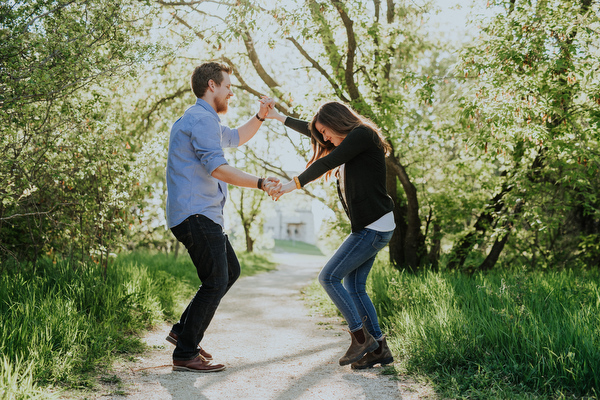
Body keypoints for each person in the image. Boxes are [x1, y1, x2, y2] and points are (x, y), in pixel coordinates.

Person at [165, 62, 280, 373]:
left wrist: (260, 117)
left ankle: (182, 331)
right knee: (216, 279)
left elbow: (235, 137)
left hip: (199, 214)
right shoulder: (201, 119)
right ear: (211, 85)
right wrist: (259, 182)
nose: (231, 93)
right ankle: (185, 353)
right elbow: (216, 167)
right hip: (196, 213)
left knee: (228, 271)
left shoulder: (204, 120)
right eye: (228, 86)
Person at [265, 102, 396, 369]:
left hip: (372, 227)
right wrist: (278, 116)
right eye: (321, 134)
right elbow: (312, 130)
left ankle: (361, 338)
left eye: (326, 131)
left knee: (328, 277)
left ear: (338, 122)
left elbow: (327, 161)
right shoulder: (350, 139)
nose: (324, 139)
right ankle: (379, 348)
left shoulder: (362, 134)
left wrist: (293, 185)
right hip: (375, 226)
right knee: (354, 287)